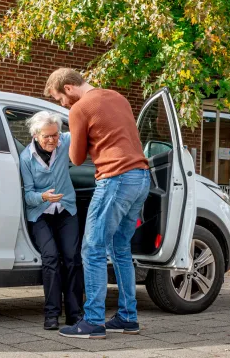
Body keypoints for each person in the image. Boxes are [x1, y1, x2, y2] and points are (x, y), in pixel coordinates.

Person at [45, 68, 150, 339]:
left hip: (115, 179)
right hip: (141, 178)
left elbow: (77, 158)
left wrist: (67, 139)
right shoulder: (117, 97)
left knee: (92, 248)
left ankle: (92, 321)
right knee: (120, 247)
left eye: (60, 99)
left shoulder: (79, 109)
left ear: (69, 88)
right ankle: (128, 317)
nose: (63, 104)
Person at [19, 111, 83, 330]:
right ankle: (52, 314)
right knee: (51, 258)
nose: (51, 140)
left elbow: (82, 128)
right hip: (40, 213)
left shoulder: (64, 142)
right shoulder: (26, 158)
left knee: (73, 258)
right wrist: (43, 197)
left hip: (66, 210)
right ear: (36, 135)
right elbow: (28, 196)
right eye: (46, 136)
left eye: (55, 135)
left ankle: (75, 314)